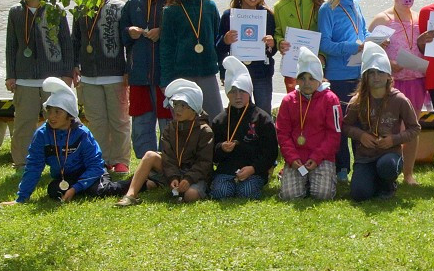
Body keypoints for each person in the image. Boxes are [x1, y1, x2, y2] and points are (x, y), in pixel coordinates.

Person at [1, 78, 127, 205]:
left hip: (92, 173)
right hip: (66, 177)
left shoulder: (82, 133)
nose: (51, 117)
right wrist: (21, 198)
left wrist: (75, 188)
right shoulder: (42, 135)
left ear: (70, 115)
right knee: (54, 190)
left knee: (99, 190)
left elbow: (95, 165)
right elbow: (34, 166)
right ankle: (81, 189)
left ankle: (141, 183)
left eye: (57, 112)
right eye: (49, 111)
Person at [5, 0, 74, 170]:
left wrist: (67, 74)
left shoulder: (55, 11)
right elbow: (11, 46)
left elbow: (67, 44)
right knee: (23, 124)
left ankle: (62, 162)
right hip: (25, 78)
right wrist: (11, 75)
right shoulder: (15, 12)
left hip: (52, 79)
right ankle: (21, 164)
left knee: (58, 122)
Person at [115, 78, 214, 206]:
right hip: (172, 171)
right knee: (150, 155)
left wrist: (188, 179)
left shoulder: (205, 131)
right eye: (175, 104)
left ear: (194, 108)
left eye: (182, 105)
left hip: (194, 175)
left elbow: (204, 163)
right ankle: (131, 195)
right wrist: (173, 177)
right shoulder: (170, 128)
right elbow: (168, 157)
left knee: (191, 195)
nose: (177, 109)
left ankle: (160, 184)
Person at [72, 0, 130, 173]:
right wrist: (74, 66)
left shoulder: (119, 8)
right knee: (96, 122)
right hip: (88, 76)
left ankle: (121, 160)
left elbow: (127, 42)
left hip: (115, 74)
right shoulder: (80, 8)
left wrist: (128, 69)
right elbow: (75, 40)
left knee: (120, 120)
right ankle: (102, 160)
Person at [369, 0, 426, 184]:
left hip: (417, 81)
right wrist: (389, 64)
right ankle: (388, 170)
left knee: (412, 128)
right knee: (388, 127)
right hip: (391, 83)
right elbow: (370, 52)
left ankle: (409, 173)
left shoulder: (421, 17)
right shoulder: (383, 19)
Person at [343, 43, 420, 201]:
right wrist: (361, 135)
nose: (376, 77)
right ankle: (373, 179)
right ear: (365, 76)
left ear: (388, 76)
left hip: (389, 154)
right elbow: (345, 126)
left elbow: (414, 128)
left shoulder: (399, 100)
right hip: (365, 156)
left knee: (387, 167)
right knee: (360, 194)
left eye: (380, 72)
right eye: (371, 73)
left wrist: (394, 139)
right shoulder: (357, 101)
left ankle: (388, 184)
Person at [319, 0, 369, 181]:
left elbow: (364, 32)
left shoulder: (357, 7)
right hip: (339, 76)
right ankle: (341, 169)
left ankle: (362, 165)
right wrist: (352, 47)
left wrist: (374, 41)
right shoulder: (327, 8)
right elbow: (325, 45)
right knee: (340, 124)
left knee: (359, 123)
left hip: (360, 74)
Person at [121, 0, 173, 159]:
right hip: (139, 74)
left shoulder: (171, 0)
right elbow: (121, 35)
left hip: (165, 73)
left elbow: (179, 31)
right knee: (142, 119)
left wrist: (162, 31)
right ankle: (146, 161)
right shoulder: (133, 3)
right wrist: (129, 33)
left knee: (168, 118)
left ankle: (167, 159)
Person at [275, 47, 341, 201]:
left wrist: (317, 157)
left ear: (320, 78)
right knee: (290, 196)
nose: (306, 83)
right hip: (296, 158)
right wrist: (292, 158)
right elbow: (282, 133)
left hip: (322, 157)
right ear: (297, 79)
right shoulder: (288, 101)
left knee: (322, 195)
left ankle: (324, 178)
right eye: (302, 78)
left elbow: (334, 134)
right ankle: (289, 176)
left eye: (311, 78)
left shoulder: (331, 100)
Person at [209, 57, 278, 200]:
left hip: (253, 171)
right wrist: (221, 147)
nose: (238, 96)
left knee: (246, 191)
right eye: (233, 92)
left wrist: (253, 169)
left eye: (242, 91)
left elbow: (270, 152)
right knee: (221, 192)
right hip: (226, 171)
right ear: (227, 93)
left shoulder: (262, 119)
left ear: (250, 91)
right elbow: (211, 153)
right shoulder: (219, 120)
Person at [159, 0, 223, 117]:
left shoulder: (210, 7)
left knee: (215, 119)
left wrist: (223, 71)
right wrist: (166, 81)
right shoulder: (171, 11)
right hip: (182, 75)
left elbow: (218, 40)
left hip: (207, 72)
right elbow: (166, 48)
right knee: (184, 121)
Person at [216, 0, 277, 113]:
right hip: (237, 74)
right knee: (240, 112)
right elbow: (219, 47)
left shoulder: (267, 15)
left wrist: (272, 44)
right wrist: (225, 40)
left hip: (262, 73)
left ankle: (264, 136)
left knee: (264, 112)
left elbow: (272, 51)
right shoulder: (229, 15)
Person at [273, 0, 324, 93]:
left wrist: (323, 56)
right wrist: (280, 43)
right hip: (292, 66)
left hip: (317, 65)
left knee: (318, 106)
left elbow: (328, 35)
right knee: (295, 106)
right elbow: (277, 33)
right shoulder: (280, 6)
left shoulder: (322, 6)